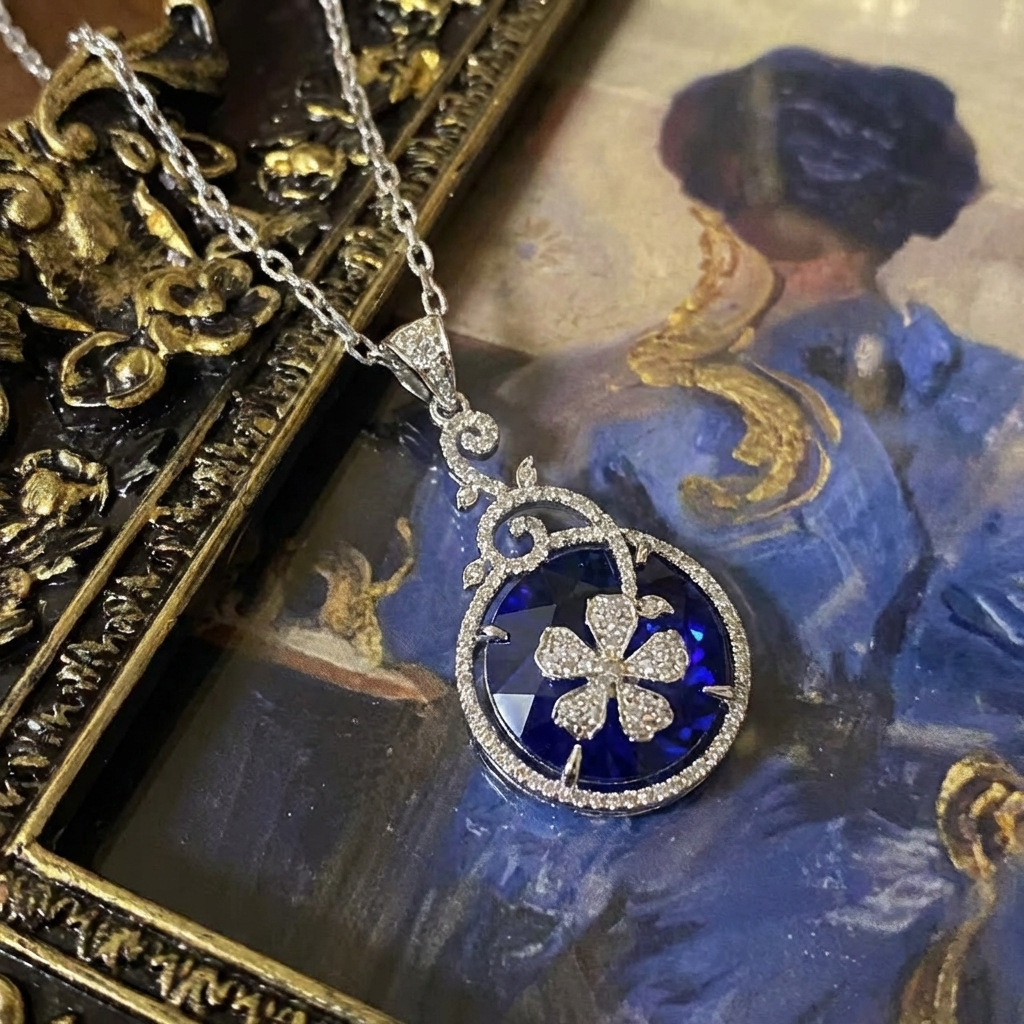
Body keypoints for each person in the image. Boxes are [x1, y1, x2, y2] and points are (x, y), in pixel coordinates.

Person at [366, 48, 1024, 1023]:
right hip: (746, 846)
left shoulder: (617, 408)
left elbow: (431, 625)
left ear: (721, 204)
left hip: (762, 868)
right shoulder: (986, 399)